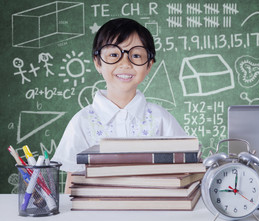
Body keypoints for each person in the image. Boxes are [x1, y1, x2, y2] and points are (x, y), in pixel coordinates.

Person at [52, 18, 186, 193]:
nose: (125, 63)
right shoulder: (82, 122)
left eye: (136, 55)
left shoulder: (161, 119)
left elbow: (185, 168)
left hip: (152, 211)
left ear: (149, 65)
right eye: (114, 55)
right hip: (97, 214)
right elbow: (73, 183)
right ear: (97, 62)